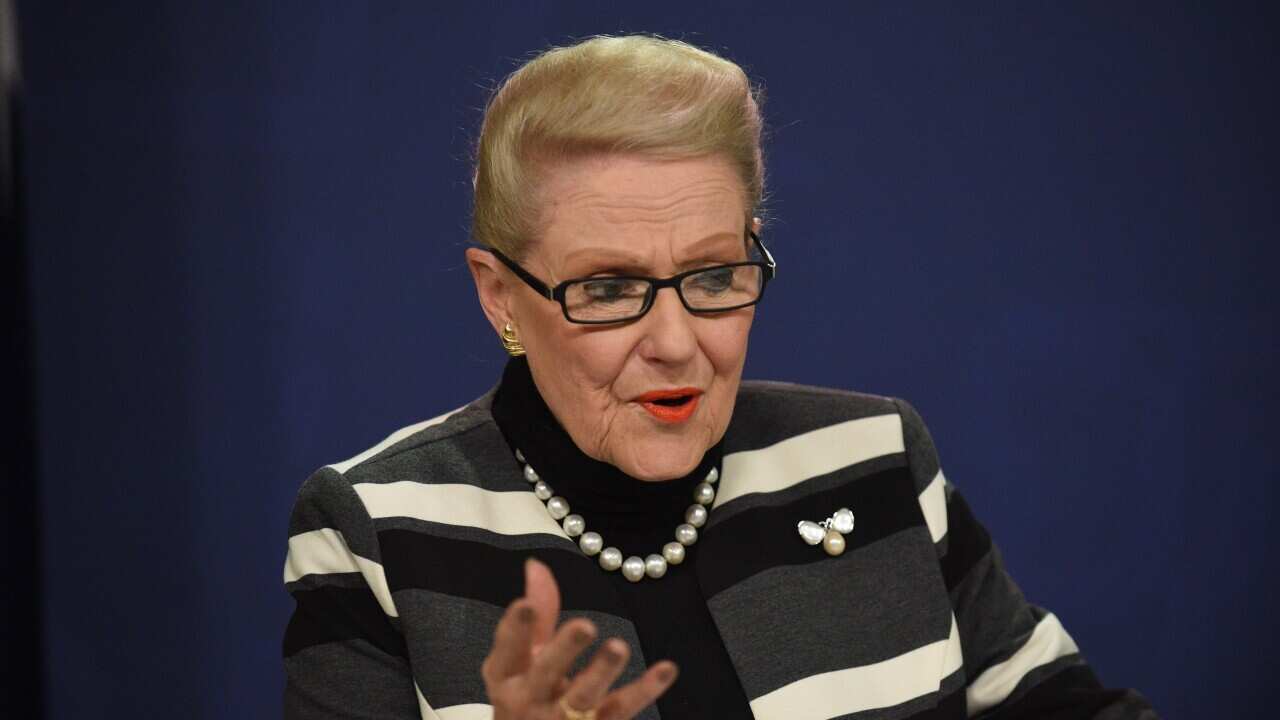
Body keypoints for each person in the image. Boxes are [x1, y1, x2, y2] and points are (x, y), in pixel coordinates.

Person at [281, 35, 1157, 720]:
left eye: (711, 277)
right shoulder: (378, 531)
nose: (676, 342)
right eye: (610, 288)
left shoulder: (873, 462)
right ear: (500, 295)